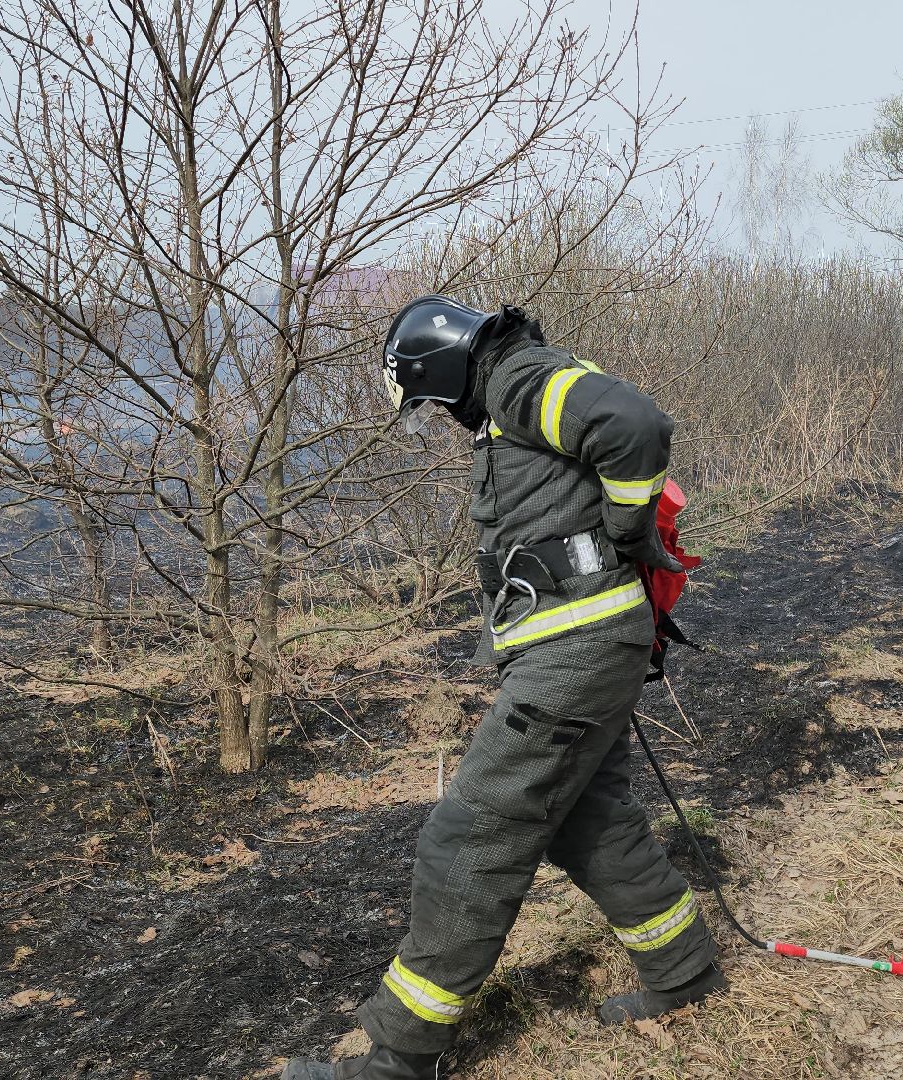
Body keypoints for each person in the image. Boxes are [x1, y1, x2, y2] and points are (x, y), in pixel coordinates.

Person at [284, 296, 724, 1080]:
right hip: (581, 647)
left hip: (574, 653)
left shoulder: (518, 378)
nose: (442, 414)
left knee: (468, 838)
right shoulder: (511, 394)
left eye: (433, 399)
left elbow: (633, 423)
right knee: (588, 822)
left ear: (444, 368)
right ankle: (684, 971)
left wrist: (629, 529)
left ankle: (398, 1060)